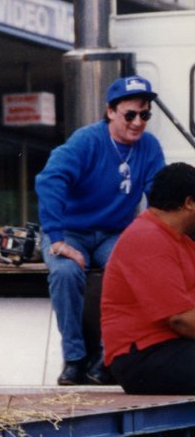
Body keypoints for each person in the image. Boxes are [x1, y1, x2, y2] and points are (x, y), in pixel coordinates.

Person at [36, 74, 166, 386]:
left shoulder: (150, 147)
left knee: (134, 270)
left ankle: (109, 356)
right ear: (110, 111)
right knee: (65, 272)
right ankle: (74, 358)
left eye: (145, 115)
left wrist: (149, 240)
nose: (138, 122)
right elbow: (49, 181)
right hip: (70, 232)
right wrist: (57, 239)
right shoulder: (86, 140)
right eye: (130, 114)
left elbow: (159, 199)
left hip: (113, 234)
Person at [101, 163, 195, 393]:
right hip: (143, 357)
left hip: (169, 347)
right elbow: (181, 320)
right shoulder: (148, 238)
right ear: (189, 203)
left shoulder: (179, 240)